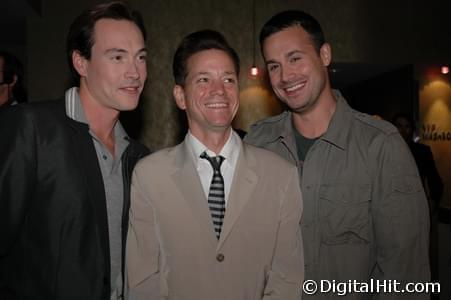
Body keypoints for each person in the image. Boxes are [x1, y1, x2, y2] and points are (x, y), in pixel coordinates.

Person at [244, 10, 430, 299]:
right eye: (274, 66)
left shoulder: (380, 146)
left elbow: (405, 277)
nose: (285, 76)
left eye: (295, 58)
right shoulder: (258, 143)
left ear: (325, 55)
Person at [126, 30, 304, 300]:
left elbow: (287, 279)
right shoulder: (150, 176)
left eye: (228, 79)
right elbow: (142, 282)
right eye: (203, 79)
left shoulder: (281, 175)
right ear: (180, 96)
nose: (219, 90)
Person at [0, 2, 150, 299]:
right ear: (81, 63)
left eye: (141, 57)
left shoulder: (140, 157)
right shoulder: (32, 128)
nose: (135, 72)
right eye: (118, 57)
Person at [393, 113, 443, 211]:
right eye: (399, 126)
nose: (403, 130)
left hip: (416, 204)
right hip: (392, 205)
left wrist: (433, 201)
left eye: (407, 126)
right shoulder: (385, 150)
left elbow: (434, 179)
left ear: (411, 129)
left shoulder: (422, 151)